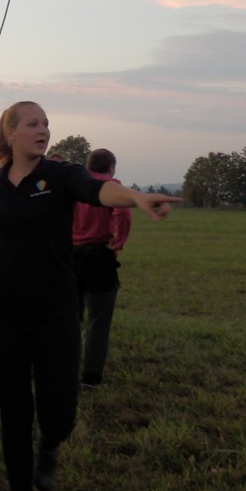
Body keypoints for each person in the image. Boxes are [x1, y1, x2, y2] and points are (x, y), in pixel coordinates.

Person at [0, 101, 179, 491]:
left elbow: (99, 191)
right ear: (10, 133)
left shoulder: (61, 175)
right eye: (33, 123)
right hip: (2, 311)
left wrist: (136, 197)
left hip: (55, 311)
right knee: (14, 413)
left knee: (59, 411)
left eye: (45, 123)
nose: (43, 129)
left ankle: (51, 444)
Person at [72, 149, 133, 389]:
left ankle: (64, 371)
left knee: (70, 319)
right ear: (111, 167)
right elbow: (123, 213)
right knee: (98, 320)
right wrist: (118, 243)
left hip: (69, 256)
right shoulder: (110, 186)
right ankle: (91, 378)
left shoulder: (75, 185)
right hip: (98, 257)